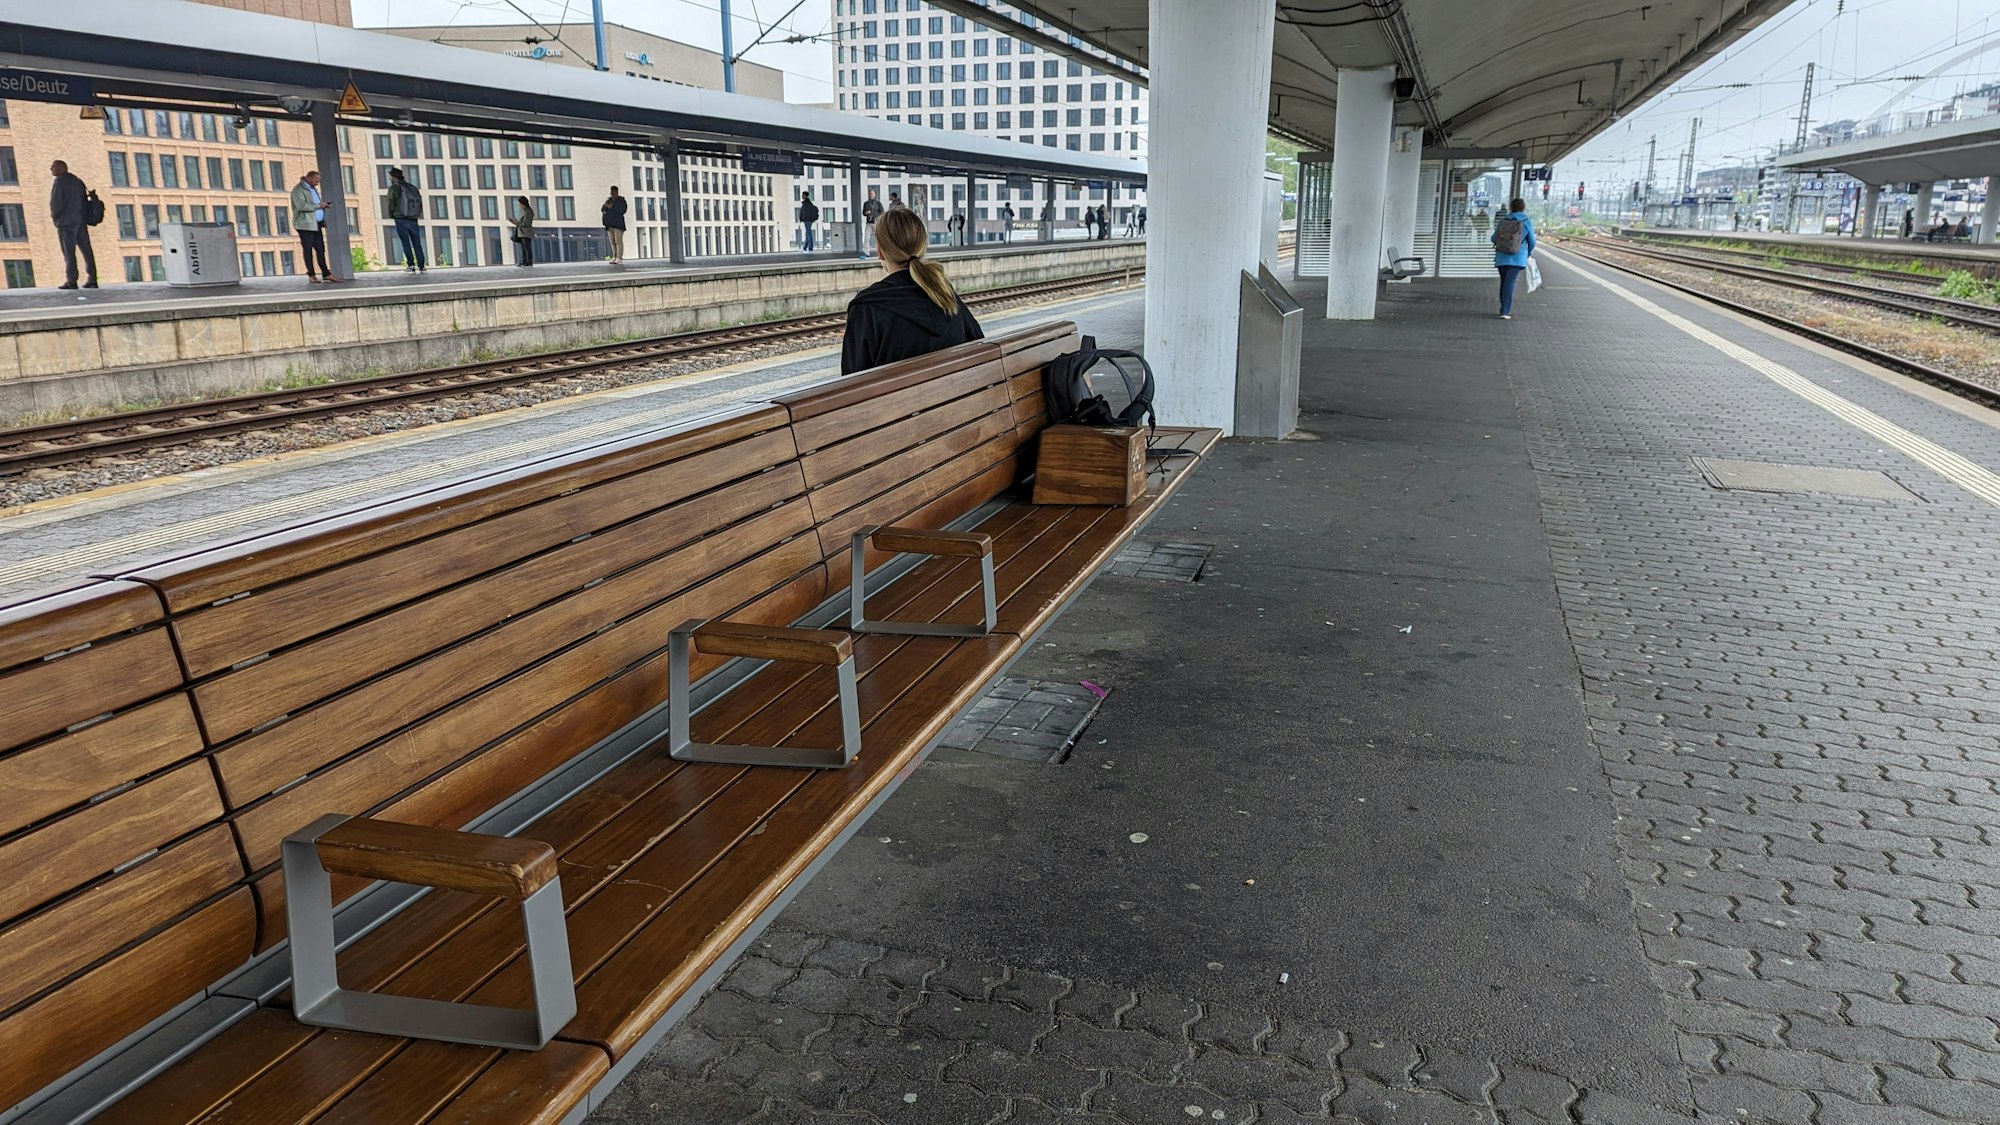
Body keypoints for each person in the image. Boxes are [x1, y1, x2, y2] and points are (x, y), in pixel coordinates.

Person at [840, 207, 984, 376]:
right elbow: (978, 345)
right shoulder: (943, 294)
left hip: (895, 402)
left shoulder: (866, 307)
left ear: (880, 252)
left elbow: (851, 381)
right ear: (922, 248)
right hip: (958, 399)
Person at [47, 160, 97, 290]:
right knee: (87, 250)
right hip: (80, 221)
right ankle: (92, 279)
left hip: (65, 223)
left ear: (61, 168)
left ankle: (71, 280)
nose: (51, 169)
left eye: (53, 167)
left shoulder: (59, 182)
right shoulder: (77, 181)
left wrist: (55, 218)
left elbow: (55, 203)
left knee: (69, 252)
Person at [1490, 195, 1536, 320]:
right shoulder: (1526, 221)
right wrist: (1528, 252)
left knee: (1504, 282)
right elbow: (1532, 241)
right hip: (1517, 257)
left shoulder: (1504, 220)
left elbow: (1493, 238)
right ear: (1523, 207)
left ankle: (1503, 308)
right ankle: (1505, 311)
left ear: (1511, 207)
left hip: (1501, 256)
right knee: (1509, 283)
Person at [292, 170, 338, 283]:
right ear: (310, 178)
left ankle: (326, 273)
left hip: (316, 224)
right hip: (305, 225)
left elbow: (315, 204)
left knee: (320, 249)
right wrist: (319, 205)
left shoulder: (313, 189)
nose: (317, 183)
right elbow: (301, 206)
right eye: (316, 181)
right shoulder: (298, 190)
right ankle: (311, 274)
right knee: (308, 250)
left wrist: (323, 205)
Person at [386, 168, 426, 273]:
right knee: (417, 243)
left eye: (391, 176)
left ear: (394, 177)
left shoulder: (394, 188)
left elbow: (391, 203)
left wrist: (392, 215)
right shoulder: (412, 188)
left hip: (400, 218)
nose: (390, 178)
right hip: (413, 218)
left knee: (406, 243)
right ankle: (421, 266)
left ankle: (411, 265)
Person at [602, 186, 627, 263]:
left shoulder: (621, 201)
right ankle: (615, 256)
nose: (612, 194)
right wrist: (606, 205)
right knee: (612, 242)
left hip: (618, 224)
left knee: (618, 241)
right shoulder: (609, 200)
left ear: (616, 192)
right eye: (611, 192)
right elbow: (602, 209)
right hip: (610, 224)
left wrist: (612, 207)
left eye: (613, 192)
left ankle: (619, 257)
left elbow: (623, 210)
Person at [511, 195, 536, 266]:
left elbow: (525, 223)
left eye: (520, 203)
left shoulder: (528, 212)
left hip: (526, 232)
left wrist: (514, 222)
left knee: (526, 247)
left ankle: (528, 261)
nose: (519, 205)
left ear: (523, 203)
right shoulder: (523, 211)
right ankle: (523, 261)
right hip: (521, 232)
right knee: (523, 247)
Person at [859, 189, 884, 259]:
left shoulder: (878, 203)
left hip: (876, 223)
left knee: (878, 239)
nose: (871, 195)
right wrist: (866, 213)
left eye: (872, 194)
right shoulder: (866, 203)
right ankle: (866, 254)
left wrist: (878, 218)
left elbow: (882, 212)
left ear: (875, 194)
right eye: (870, 193)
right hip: (868, 223)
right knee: (866, 238)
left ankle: (881, 254)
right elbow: (863, 213)